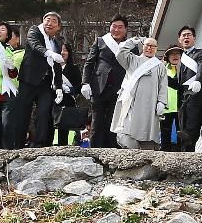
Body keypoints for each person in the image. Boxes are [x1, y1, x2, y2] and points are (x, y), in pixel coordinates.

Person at [14, 12, 68, 148]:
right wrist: (49, 53)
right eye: (47, 20)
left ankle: (39, 144)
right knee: (22, 113)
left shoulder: (56, 42)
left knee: (44, 113)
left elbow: (57, 67)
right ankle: (18, 144)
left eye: (53, 21)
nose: (49, 23)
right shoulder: (35, 31)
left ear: (58, 27)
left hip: (46, 83)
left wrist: (59, 86)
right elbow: (34, 45)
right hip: (29, 79)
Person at [81, 15, 135, 148]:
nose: (116, 30)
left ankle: (111, 151)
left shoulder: (131, 46)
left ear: (126, 29)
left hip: (119, 89)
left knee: (114, 122)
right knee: (96, 122)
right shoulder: (100, 41)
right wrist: (85, 83)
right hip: (99, 86)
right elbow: (90, 63)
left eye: (120, 27)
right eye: (114, 26)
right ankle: (94, 151)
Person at [110, 37, 168, 149]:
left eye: (153, 46)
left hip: (150, 106)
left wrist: (162, 102)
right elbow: (120, 52)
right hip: (132, 104)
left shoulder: (160, 66)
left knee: (148, 137)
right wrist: (131, 42)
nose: (149, 48)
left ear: (156, 49)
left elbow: (163, 85)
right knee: (128, 132)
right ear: (142, 46)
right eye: (147, 45)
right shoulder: (132, 59)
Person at [174, 26, 202, 151]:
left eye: (189, 35)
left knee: (192, 126)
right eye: (183, 35)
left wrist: (198, 81)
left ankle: (189, 153)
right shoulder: (178, 56)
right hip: (181, 97)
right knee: (182, 127)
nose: (186, 37)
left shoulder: (201, 53)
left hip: (195, 94)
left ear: (194, 38)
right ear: (179, 39)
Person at [1, 26, 25, 148]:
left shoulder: (22, 53)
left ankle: (8, 146)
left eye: (12, 36)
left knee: (8, 121)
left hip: (12, 89)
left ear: (17, 39)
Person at [161, 45, 184, 150]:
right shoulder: (162, 69)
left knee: (181, 135)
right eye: (172, 54)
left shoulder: (186, 69)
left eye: (177, 53)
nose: (175, 56)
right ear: (167, 56)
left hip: (182, 107)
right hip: (166, 107)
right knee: (165, 133)